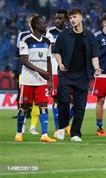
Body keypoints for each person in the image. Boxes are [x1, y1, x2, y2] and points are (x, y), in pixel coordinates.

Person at [54, 8, 101, 142]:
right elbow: (57, 51)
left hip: (83, 75)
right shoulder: (64, 35)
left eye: (75, 17)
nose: (72, 20)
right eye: (71, 18)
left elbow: (95, 55)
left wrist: (97, 68)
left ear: (81, 18)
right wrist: (60, 62)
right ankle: (62, 128)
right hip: (66, 73)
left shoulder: (89, 36)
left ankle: (75, 133)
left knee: (80, 106)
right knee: (63, 101)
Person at [15, 15, 56, 143]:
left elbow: (48, 60)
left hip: (42, 81)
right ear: (37, 26)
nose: (45, 26)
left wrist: (50, 79)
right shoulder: (25, 40)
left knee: (43, 105)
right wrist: (40, 71)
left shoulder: (47, 41)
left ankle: (44, 134)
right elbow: (24, 60)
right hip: (27, 80)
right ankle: (19, 133)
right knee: (24, 107)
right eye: (43, 24)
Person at [45, 9, 70, 135]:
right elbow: (53, 48)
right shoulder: (51, 32)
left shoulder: (71, 31)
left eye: (60, 18)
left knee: (72, 101)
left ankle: (65, 124)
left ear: (66, 19)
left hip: (70, 71)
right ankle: (58, 127)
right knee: (57, 100)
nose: (57, 21)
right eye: (56, 18)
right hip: (55, 70)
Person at [16, 13, 40, 135]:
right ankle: (22, 125)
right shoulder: (23, 35)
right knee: (24, 102)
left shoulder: (42, 36)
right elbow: (19, 54)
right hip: (25, 73)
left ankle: (33, 127)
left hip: (39, 75)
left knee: (38, 103)